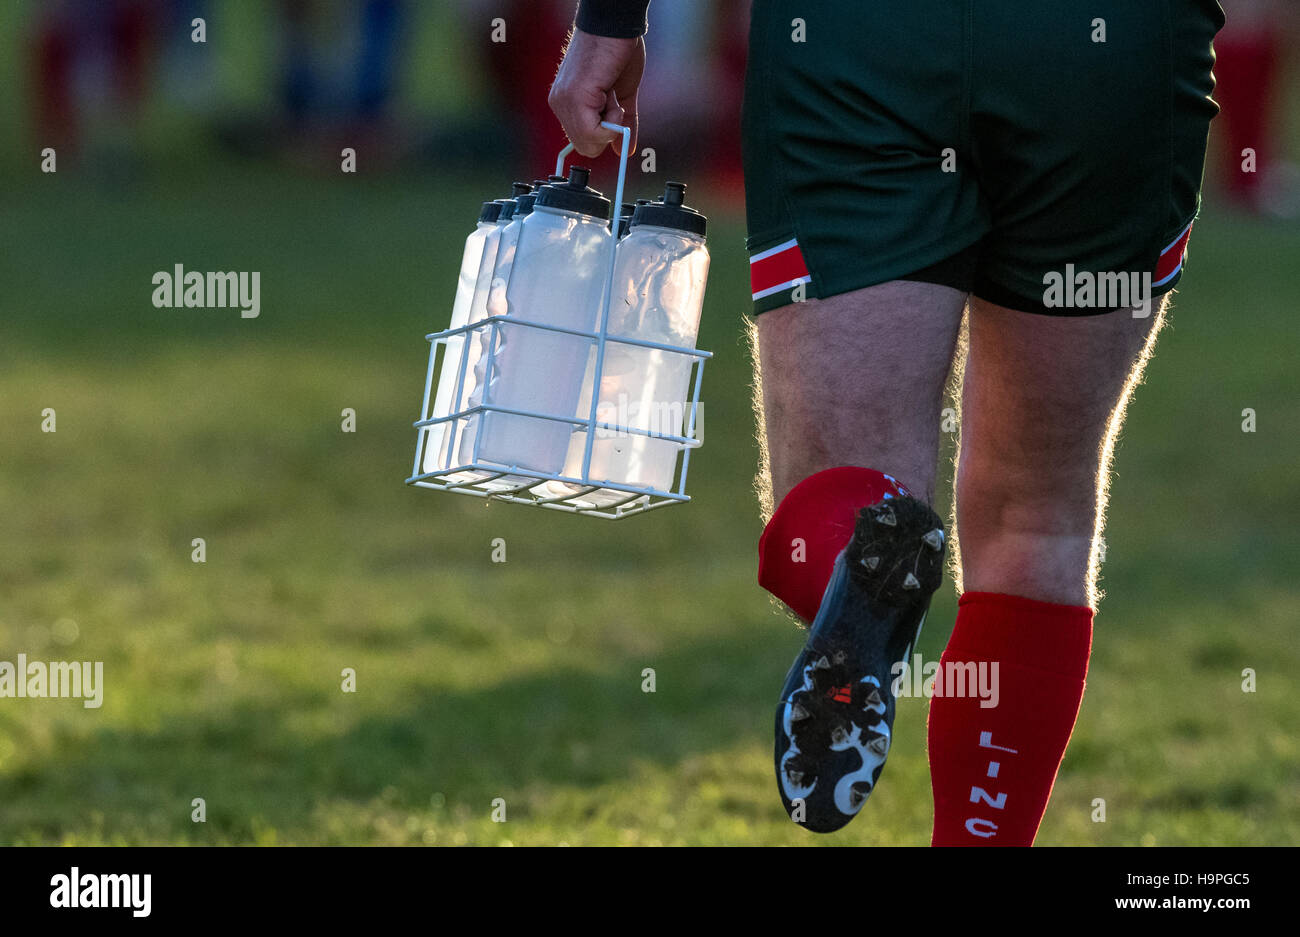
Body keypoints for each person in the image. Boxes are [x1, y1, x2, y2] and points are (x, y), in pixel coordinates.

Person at [549, 0, 1222, 844]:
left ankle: (861, 565)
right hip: (1105, 46)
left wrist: (612, 17)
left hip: (857, 40)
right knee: (1037, 515)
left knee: (835, 508)